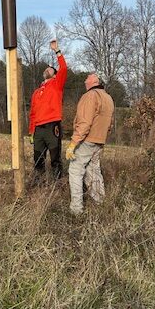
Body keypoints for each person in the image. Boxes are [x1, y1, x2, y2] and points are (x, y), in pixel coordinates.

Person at [65, 73, 114, 214]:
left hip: (87, 140)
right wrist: (102, 137)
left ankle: (76, 210)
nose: (85, 80)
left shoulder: (90, 96)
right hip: (99, 141)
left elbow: (85, 122)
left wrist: (74, 143)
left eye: (87, 78)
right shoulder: (108, 98)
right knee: (93, 171)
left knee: (75, 171)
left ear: (94, 81)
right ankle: (101, 204)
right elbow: (110, 124)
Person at [28, 40, 67, 181]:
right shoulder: (36, 92)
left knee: (55, 159)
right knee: (38, 160)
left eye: (50, 68)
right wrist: (32, 131)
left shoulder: (56, 84)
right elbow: (32, 113)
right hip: (38, 129)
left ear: (55, 75)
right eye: (47, 68)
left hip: (52, 126)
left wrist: (57, 50)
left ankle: (57, 186)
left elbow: (63, 68)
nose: (47, 68)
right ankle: (39, 186)